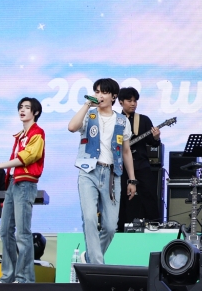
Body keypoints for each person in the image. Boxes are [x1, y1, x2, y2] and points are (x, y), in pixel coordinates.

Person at [68, 78, 137, 265]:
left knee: (110, 226)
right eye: (97, 91)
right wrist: (86, 105)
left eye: (104, 92)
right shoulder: (89, 115)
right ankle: (97, 265)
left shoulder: (122, 120)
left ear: (113, 97)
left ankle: (90, 258)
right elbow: (72, 127)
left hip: (112, 175)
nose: (99, 95)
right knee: (90, 218)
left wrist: (132, 179)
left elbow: (126, 151)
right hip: (88, 172)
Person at [0, 98, 45, 283]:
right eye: (20, 107)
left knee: (23, 233)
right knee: (4, 231)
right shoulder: (20, 135)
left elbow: (27, 157)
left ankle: (24, 278)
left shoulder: (37, 133)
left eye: (27, 107)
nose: (22, 110)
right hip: (13, 183)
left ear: (35, 112)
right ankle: (8, 276)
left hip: (25, 184)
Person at [116, 87, 162, 228]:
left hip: (141, 164)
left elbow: (153, 143)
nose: (133, 104)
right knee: (121, 197)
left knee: (149, 195)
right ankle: (120, 228)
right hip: (121, 166)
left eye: (135, 101)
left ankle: (155, 225)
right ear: (120, 102)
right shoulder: (115, 119)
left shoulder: (143, 120)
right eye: (129, 101)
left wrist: (156, 137)